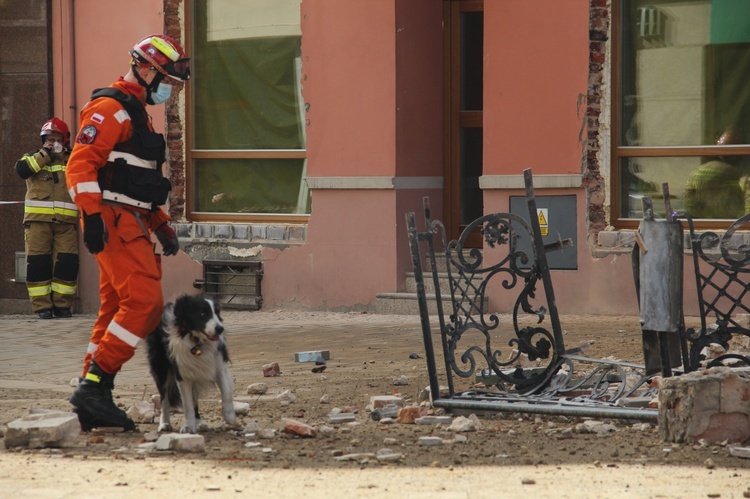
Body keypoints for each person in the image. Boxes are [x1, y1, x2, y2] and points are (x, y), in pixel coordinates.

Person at [66, 34, 190, 430]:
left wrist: (162, 225)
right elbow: (79, 168)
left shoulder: (137, 114)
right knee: (144, 304)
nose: (170, 89)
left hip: (130, 221)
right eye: (168, 79)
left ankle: (92, 392)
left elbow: (137, 183)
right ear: (147, 68)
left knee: (114, 309)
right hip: (114, 222)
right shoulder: (111, 110)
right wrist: (93, 218)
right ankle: (96, 388)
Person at [15, 118, 79, 319]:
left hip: (66, 223)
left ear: (65, 139)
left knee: (67, 263)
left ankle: (62, 305)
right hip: (37, 222)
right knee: (38, 263)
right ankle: (42, 307)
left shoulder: (72, 159)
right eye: (48, 139)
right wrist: (45, 154)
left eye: (57, 139)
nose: (52, 142)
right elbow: (22, 171)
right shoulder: (34, 157)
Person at [684, 127, 748, 219]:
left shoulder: (700, 170)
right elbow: (741, 211)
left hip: (700, 223)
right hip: (725, 225)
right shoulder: (732, 175)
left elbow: (690, 203)